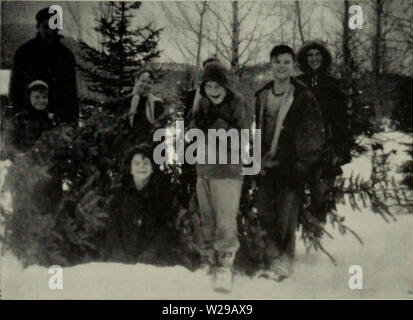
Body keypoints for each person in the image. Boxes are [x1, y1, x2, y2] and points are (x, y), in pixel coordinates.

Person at [254, 45, 325, 280]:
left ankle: (284, 261)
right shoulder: (262, 95)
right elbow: (257, 132)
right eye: (277, 61)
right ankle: (270, 258)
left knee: (286, 216)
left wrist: (301, 166)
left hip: (290, 167)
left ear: (293, 65)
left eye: (286, 62)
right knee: (266, 213)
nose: (281, 66)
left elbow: (313, 134)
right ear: (271, 64)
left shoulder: (302, 95)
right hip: (266, 166)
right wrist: (255, 161)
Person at [191, 62, 253, 292]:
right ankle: (210, 260)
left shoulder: (237, 103)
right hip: (204, 170)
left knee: (226, 221)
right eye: (209, 86)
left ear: (225, 86)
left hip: (227, 171)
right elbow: (191, 128)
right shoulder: (200, 102)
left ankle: (225, 266)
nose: (214, 91)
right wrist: (195, 129)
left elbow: (243, 138)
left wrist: (218, 126)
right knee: (208, 218)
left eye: (218, 86)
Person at [296, 41, 352, 223]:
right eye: (310, 55)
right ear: (305, 59)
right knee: (293, 195)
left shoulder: (332, 85)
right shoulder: (297, 84)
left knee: (320, 193)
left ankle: (316, 233)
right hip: (300, 148)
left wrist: (341, 149)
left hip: (324, 148)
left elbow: (340, 120)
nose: (314, 59)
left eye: (317, 55)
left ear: (324, 58)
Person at [104, 143, 178, 263]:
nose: (141, 167)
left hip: (152, 261)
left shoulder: (162, 196)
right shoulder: (120, 197)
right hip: (121, 260)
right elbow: (113, 229)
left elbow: (164, 231)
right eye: (137, 163)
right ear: (131, 169)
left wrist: (149, 256)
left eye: (146, 163)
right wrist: (119, 255)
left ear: (153, 168)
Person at [9, 7, 79, 124]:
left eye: (53, 27)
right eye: (45, 27)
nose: (50, 31)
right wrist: (19, 111)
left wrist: (72, 119)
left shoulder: (66, 55)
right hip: (29, 118)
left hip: (58, 119)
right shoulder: (24, 52)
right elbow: (16, 85)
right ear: (38, 27)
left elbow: (71, 90)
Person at [118, 69, 167, 144]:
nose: (145, 85)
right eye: (143, 81)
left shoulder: (156, 104)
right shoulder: (125, 102)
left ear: (152, 85)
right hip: (127, 145)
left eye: (149, 83)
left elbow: (160, 132)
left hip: (148, 146)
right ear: (136, 81)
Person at [10, 80, 56, 154]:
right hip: (25, 158)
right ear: (29, 98)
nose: (41, 100)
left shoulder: (50, 119)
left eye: (44, 97)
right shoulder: (21, 118)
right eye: (37, 97)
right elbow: (11, 143)